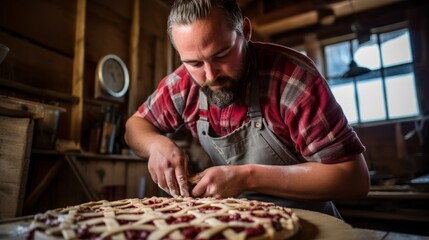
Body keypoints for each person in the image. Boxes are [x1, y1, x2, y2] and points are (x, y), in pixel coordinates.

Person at [124, 0, 369, 218]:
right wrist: (156, 144)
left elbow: (354, 180)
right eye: (194, 63)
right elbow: (135, 126)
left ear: (246, 32)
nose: (210, 76)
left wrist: (247, 176)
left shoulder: (293, 79)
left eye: (221, 55)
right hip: (237, 226)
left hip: (310, 224)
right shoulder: (183, 84)